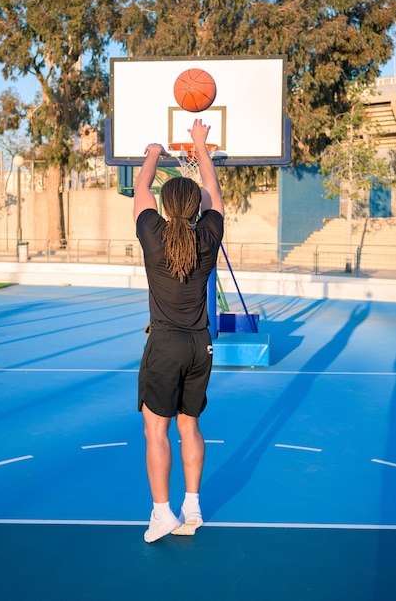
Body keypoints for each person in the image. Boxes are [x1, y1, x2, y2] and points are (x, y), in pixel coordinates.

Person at [133, 118, 224, 543]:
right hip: (200, 346)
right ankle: (192, 505)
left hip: (165, 344)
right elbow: (213, 189)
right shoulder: (209, 235)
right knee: (190, 426)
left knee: (157, 430)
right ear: (197, 208)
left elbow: (140, 189)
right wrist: (200, 145)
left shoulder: (152, 234)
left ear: (165, 207)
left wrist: (154, 153)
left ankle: (161, 513)